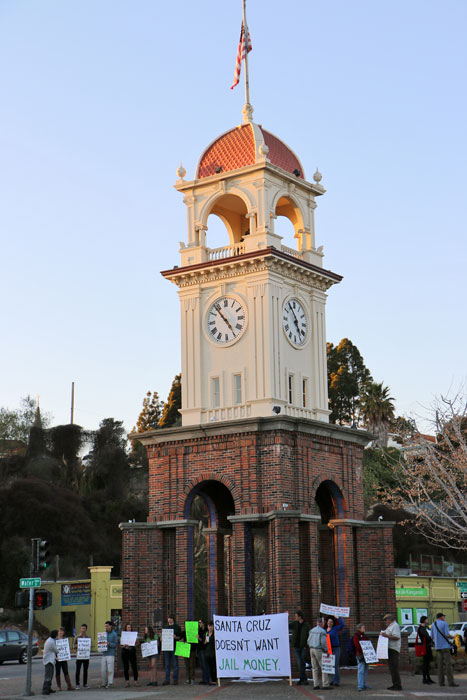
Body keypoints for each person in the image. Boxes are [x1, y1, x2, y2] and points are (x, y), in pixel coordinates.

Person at [431, 612, 459, 687]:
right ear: (441, 617)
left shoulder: (433, 624)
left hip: (437, 647)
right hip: (445, 647)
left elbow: (432, 636)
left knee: (440, 666)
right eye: (444, 616)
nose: (444, 618)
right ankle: (451, 682)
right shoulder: (444, 623)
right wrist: (452, 637)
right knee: (448, 665)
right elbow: (447, 634)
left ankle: (441, 682)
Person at [307, 616, 331, 690]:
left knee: (314, 667)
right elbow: (323, 642)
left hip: (311, 649)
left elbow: (308, 640)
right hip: (318, 649)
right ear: (322, 623)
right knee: (323, 667)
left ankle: (316, 684)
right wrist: (326, 650)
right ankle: (325, 684)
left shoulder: (312, 630)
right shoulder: (322, 631)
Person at [381, 613, 402, 691]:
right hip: (390, 648)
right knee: (392, 668)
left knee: (394, 667)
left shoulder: (395, 626)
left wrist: (386, 636)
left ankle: (397, 685)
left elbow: (396, 637)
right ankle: (395, 684)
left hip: (393, 649)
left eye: (386, 620)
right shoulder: (390, 626)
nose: (385, 621)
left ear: (390, 619)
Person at [290, 610, 310, 686]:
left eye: (296, 616)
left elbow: (309, 635)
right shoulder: (295, 624)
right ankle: (303, 679)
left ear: (300, 617)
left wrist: (306, 645)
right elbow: (287, 625)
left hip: (303, 647)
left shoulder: (306, 625)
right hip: (296, 646)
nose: (295, 617)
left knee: (302, 662)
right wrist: (285, 617)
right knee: (300, 663)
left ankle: (303, 679)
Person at [162, 614, 181, 686]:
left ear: (173, 619)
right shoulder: (165, 627)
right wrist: (161, 639)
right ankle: (167, 679)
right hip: (166, 648)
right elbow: (162, 636)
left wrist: (176, 637)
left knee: (175, 663)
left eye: (170, 618)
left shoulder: (177, 627)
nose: (169, 619)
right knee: (167, 664)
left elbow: (180, 637)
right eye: (168, 618)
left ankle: (175, 679)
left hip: (174, 647)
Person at [326, 616, 344, 686]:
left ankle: (336, 681)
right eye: (328, 621)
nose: (329, 623)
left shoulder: (335, 629)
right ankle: (333, 680)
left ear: (333, 623)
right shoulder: (324, 630)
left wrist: (338, 618)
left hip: (336, 648)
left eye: (331, 622)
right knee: (331, 665)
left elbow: (342, 625)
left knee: (335, 664)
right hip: (328, 649)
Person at [120, 623, 139, 687]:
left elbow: (137, 643)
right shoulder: (123, 635)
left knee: (134, 667)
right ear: (125, 628)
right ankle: (127, 682)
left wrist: (133, 644)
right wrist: (124, 645)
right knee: (126, 667)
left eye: (130, 627)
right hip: (125, 651)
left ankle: (136, 681)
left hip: (132, 651)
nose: (129, 628)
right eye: (128, 627)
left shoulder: (134, 635)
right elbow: (120, 645)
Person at [100, 620, 118, 689]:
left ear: (110, 626)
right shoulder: (103, 634)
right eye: (105, 626)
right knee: (103, 669)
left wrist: (109, 643)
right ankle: (104, 682)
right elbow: (100, 642)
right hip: (104, 653)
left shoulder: (114, 634)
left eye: (107, 626)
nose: (106, 627)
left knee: (110, 669)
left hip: (110, 653)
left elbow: (115, 644)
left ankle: (110, 682)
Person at [417, 616, 434, 685]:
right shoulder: (422, 628)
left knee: (427, 663)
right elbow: (426, 636)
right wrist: (431, 638)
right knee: (425, 663)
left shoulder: (423, 628)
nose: (427, 620)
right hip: (425, 647)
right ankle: (425, 678)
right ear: (424, 620)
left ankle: (428, 678)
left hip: (426, 646)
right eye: (426, 619)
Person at [353, 623, 370, 692]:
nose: (364, 628)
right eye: (363, 627)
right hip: (360, 655)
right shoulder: (356, 636)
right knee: (361, 670)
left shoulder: (364, 635)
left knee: (365, 670)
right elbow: (357, 645)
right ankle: (360, 685)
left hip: (366, 655)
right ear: (359, 629)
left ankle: (363, 684)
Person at [73, 624, 91, 689]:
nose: (83, 630)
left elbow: (90, 646)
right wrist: (76, 646)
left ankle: (85, 683)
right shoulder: (77, 637)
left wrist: (89, 646)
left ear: (86, 629)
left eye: (84, 628)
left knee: (85, 670)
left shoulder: (88, 637)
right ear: (80, 629)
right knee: (78, 670)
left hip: (86, 656)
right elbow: (74, 646)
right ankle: (77, 684)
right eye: (82, 628)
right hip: (79, 656)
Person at [42, 630, 58, 696]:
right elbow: (56, 650)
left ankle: (49, 688)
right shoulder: (51, 642)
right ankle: (45, 689)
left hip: (50, 660)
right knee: (48, 675)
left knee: (50, 675)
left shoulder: (50, 640)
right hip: (48, 660)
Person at [197, 620, 210, 685]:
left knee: (205, 665)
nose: (199, 624)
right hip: (199, 649)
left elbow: (206, 641)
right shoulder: (199, 630)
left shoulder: (206, 631)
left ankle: (207, 679)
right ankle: (203, 678)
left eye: (200, 623)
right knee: (202, 665)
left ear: (203, 623)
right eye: (199, 623)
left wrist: (199, 638)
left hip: (204, 649)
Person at [204, 621, 216, 685]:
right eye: (209, 626)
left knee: (213, 667)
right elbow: (203, 644)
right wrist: (205, 642)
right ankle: (209, 679)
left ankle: (214, 680)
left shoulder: (215, 633)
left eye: (211, 626)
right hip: (207, 653)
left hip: (213, 653)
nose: (210, 627)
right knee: (208, 667)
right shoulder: (206, 634)